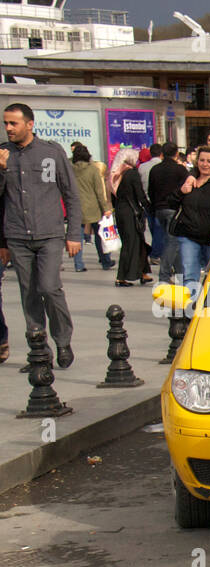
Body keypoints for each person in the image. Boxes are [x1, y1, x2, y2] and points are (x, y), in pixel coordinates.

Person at [0, 103, 83, 370]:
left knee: (49, 287)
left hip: (49, 233)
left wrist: (74, 234)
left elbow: (70, 194)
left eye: (14, 123)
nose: (9, 128)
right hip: (16, 235)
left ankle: (62, 340)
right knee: (30, 293)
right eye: (6, 123)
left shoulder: (51, 152)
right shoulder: (3, 154)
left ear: (29, 124)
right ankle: (39, 349)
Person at [172, 145, 210, 299]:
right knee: (189, 274)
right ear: (197, 161)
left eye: (209, 161)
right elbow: (170, 203)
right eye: (202, 160)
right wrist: (181, 192)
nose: (205, 164)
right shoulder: (189, 182)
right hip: (188, 235)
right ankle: (189, 311)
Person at [109, 148, 151, 287]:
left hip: (121, 212)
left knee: (137, 243)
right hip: (131, 213)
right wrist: (149, 207)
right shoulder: (132, 174)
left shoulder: (116, 174)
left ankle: (143, 273)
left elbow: (113, 196)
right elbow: (139, 194)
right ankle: (121, 277)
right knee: (131, 243)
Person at [149, 143, 188, 282]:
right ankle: (164, 275)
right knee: (173, 242)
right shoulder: (180, 170)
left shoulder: (155, 169)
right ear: (176, 154)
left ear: (162, 154)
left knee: (171, 241)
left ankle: (182, 275)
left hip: (159, 209)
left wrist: (154, 207)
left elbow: (150, 191)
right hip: (174, 210)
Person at [71, 143, 113, 273]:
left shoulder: (70, 169)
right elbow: (99, 191)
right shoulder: (93, 169)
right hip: (93, 206)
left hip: (76, 206)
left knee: (77, 237)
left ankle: (78, 265)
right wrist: (105, 207)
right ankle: (105, 261)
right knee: (100, 236)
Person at [137, 141, 163, 261]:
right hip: (160, 201)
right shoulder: (162, 166)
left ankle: (156, 249)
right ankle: (156, 253)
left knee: (153, 228)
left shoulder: (142, 167)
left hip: (146, 201)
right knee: (159, 229)